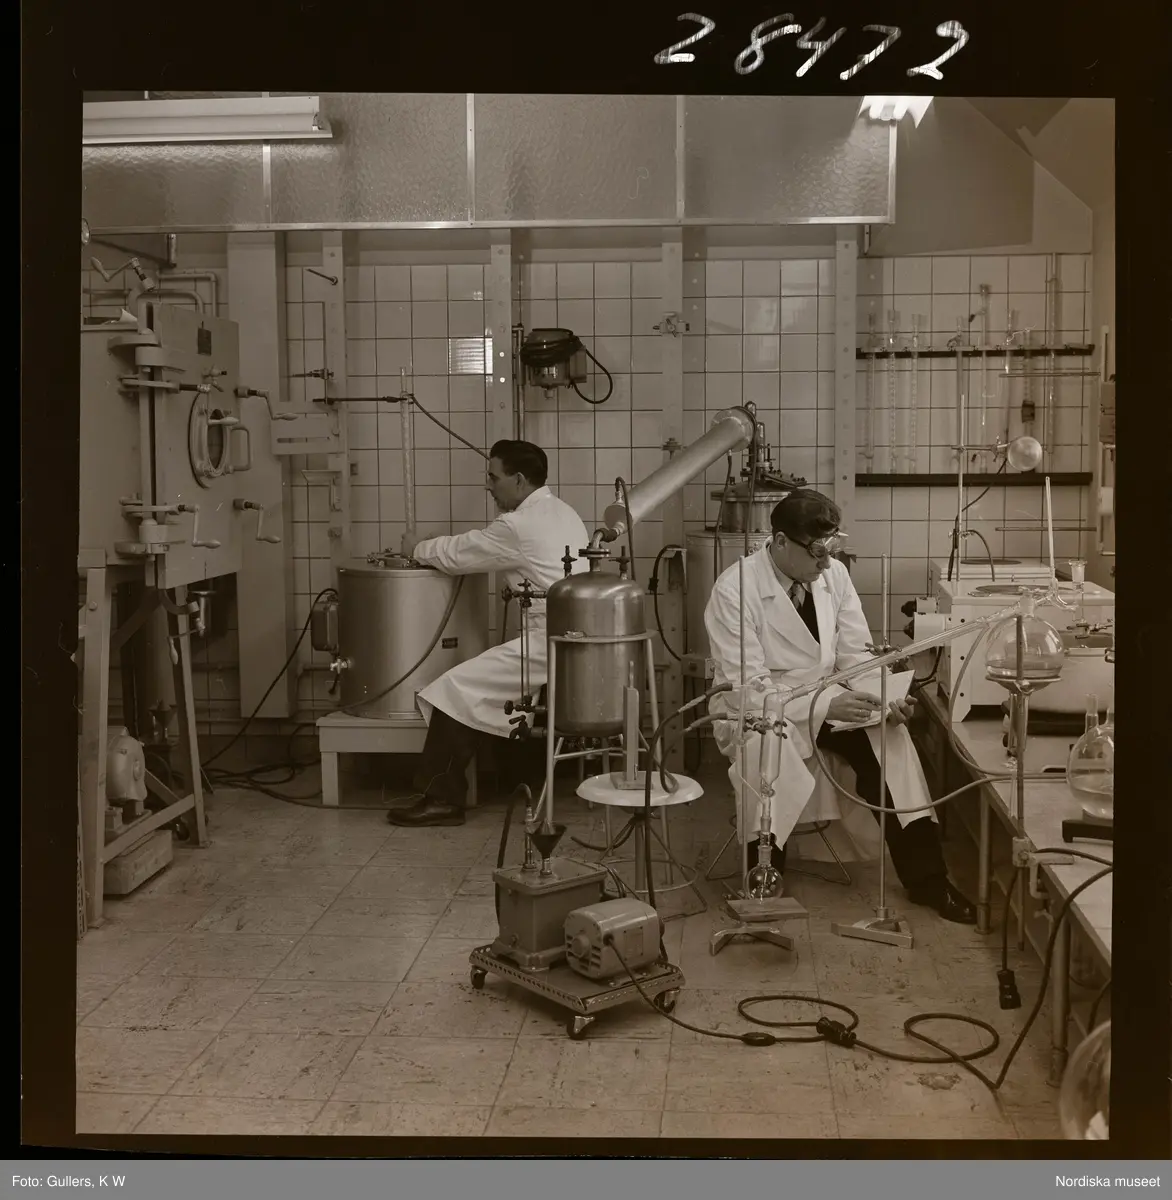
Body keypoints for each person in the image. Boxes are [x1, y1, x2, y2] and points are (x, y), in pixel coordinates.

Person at [703, 489, 976, 924]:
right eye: (816, 552)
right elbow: (747, 688)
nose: (827, 564)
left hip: (829, 697)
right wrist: (824, 707)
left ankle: (928, 880)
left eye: (831, 549)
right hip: (760, 710)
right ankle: (765, 878)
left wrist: (886, 698)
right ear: (779, 542)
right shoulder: (734, 589)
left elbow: (856, 654)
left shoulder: (834, 577)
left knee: (892, 741)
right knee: (768, 747)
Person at [387, 440, 589, 827]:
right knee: (494, 691)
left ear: (519, 479)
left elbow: (459, 553)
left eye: (493, 477)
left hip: (549, 641)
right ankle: (512, 778)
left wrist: (417, 548)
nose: (488, 485)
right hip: (575, 636)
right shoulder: (563, 511)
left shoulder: (518, 525)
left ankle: (442, 800)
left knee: (453, 689)